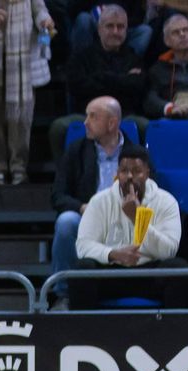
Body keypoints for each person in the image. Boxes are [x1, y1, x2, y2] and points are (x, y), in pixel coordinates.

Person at [73, 142, 188, 307]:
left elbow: (169, 251)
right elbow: (83, 246)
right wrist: (113, 253)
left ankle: (173, 331)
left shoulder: (166, 202)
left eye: (136, 171)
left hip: (149, 273)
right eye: (124, 171)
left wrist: (137, 218)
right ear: (117, 174)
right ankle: (83, 331)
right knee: (82, 269)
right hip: (111, 272)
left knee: (179, 268)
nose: (129, 176)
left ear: (147, 174)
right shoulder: (99, 201)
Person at [51, 96, 131, 296]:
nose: (85, 122)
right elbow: (57, 196)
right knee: (66, 221)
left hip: (125, 217)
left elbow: (150, 194)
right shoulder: (76, 151)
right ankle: (63, 294)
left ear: (112, 123)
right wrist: (82, 207)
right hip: (87, 217)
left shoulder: (135, 153)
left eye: (93, 117)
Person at [55, 4, 148, 158]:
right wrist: (122, 80)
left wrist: (100, 77)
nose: (115, 32)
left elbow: (138, 87)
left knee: (145, 126)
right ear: (99, 29)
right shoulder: (82, 57)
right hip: (87, 115)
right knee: (58, 128)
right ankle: (65, 175)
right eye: (110, 26)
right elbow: (77, 87)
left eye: (120, 27)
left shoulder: (134, 58)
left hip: (125, 115)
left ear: (127, 30)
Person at [0, 0, 54, 185]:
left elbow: (39, 10)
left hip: (22, 60)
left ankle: (19, 167)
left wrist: (45, 21)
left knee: (21, 116)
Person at [146, 12, 188, 119]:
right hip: (173, 116)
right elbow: (149, 98)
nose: (182, 34)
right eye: (176, 32)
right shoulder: (158, 69)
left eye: (186, 30)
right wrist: (169, 108)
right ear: (167, 41)